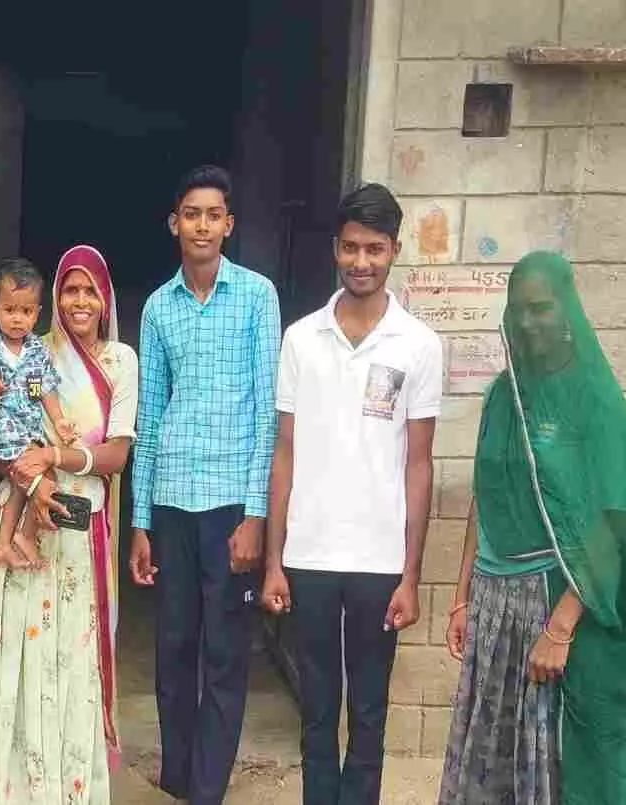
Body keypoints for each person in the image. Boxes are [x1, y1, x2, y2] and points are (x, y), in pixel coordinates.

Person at [261, 183, 442, 804]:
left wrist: (411, 575)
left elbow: (419, 464)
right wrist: (274, 560)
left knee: (368, 714)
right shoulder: (301, 339)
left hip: (379, 561)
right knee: (316, 713)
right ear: (335, 248)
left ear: (394, 251)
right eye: (350, 248)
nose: (361, 262)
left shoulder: (418, 344)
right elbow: (284, 452)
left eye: (374, 249)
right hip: (309, 555)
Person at [439, 251, 626, 805]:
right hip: (494, 606)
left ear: (567, 309)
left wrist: (561, 627)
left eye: (541, 307)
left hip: (556, 601)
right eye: (517, 308)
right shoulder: (505, 394)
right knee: (491, 762)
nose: (527, 321)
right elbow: (485, 496)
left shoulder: (594, 401)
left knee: (554, 766)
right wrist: (462, 597)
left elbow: (612, 520)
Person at [0, 245, 139, 804]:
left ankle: (68, 788)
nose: (80, 301)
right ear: (55, 300)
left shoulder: (120, 361)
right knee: (22, 651)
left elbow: (116, 455)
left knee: (71, 657)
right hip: (24, 508)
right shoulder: (34, 353)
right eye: (71, 290)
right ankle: (16, 788)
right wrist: (34, 480)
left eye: (90, 290)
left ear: (106, 298)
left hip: (82, 528)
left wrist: (56, 459)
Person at [129, 164, 281, 805]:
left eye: (213, 215)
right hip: (171, 502)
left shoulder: (256, 296)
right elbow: (149, 417)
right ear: (174, 223)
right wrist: (140, 521)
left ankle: (208, 789)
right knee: (173, 648)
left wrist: (255, 515)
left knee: (224, 652)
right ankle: (177, 778)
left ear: (228, 225)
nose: (201, 225)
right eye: (191, 214)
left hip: (228, 506)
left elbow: (267, 412)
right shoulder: (157, 307)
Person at [0, 257, 77, 569]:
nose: (17, 319)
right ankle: (19, 537)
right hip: (1, 433)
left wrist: (59, 421)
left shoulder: (37, 351)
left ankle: (8, 541)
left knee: (31, 480)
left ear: (37, 313)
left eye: (25, 312)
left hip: (29, 434)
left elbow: (43, 389)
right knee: (39, 479)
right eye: (9, 310)